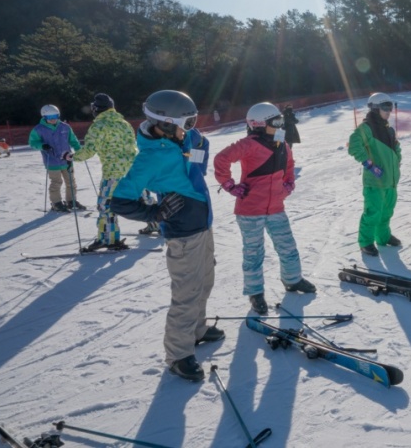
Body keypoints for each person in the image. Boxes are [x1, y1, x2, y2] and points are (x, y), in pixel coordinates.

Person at [110, 90, 220, 382]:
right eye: (188, 122)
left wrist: (195, 150)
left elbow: (200, 152)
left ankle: (197, 330)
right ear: (167, 123)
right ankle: (178, 355)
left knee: (205, 282)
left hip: (203, 226)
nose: (192, 128)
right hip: (183, 235)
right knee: (186, 294)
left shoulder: (183, 139)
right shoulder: (150, 158)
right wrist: (154, 214)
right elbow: (119, 200)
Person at [214, 102, 316, 315]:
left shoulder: (281, 142)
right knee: (253, 253)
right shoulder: (249, 144)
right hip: (250, 210)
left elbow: (289, 164)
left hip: (276, 207)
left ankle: (293, 280)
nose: (280, 124)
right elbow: (221, 159)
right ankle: (255, 292)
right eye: (276, 121)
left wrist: (288, 183)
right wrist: (229, 185)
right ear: (259, 124)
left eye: (280, 120)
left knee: (287, 246)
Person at [72, 93, 137, 252]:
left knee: (106, 205)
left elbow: (89, 150)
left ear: (96, 109)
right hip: (132, 169)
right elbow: (132, 145)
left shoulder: (99, 126)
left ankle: (108, 239)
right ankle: (157, 224)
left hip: (113, 172)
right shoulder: (124, 123)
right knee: (140, 196)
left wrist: (72, 156)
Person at [348, 92, 402, 257]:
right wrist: (368, 163)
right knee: (373, 212)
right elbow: (353, 145)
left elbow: (396, 147)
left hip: (390, 180)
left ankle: (383, 237)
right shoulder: (366, 128)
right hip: (375, 180)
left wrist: (397, 159)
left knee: (387, 211)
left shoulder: (389, 129)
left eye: (390, 107)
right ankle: (366, 242)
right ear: (375, 108)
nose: (389, 111)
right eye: (385, 107)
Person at [28, 104, 84, 213]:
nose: (53, 119)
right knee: (56, 182)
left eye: (55, 116)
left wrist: (79, 150)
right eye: (49, 117)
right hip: (52, 161)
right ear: (44, 117)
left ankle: (71, 201)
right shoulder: (39, 129)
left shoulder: (65, 127)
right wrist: (42, 145)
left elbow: (73, 140)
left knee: (71, 182)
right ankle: (56, 203)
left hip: (67, 159)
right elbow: (33, 142)